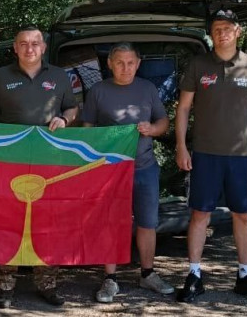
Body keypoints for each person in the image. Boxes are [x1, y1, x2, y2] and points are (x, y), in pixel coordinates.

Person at [174, 9, 247, 304]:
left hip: (241, 155)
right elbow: (183, 108)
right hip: (205, 154)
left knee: (243, 214)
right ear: (211, 33)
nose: (222, 33)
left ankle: (245, 276)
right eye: (217, 28)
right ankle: (194, 276)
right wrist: (181, 146)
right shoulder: (198, 64)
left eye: (228, 28)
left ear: (238, 31)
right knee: (200, 214)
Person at [0, 25, 78, 309]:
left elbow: (73, 109)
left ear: (43, 47)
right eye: (23, 43)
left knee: (48, 221)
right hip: (10, 160)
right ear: (15, 47)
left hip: (49, 160)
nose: (29, 48)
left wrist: (65, 120)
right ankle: (5, 287)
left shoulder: (60, 76)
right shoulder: (0, 76)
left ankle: (47, 285)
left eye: (35, 43)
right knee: (7, 220)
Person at [82, 43, 174, 303]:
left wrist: (152, 129)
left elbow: (163, 122)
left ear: (138, 63)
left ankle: (148, 273)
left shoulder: (147, 88)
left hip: (144, 167)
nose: (126, 68)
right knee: (111, 222)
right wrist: (99, 144)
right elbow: (87, 129)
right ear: (110, 64)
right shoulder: (98, 91)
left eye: (130, 62)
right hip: (110, 169)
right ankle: (110, 279)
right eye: (120, 63)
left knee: (147, 222)